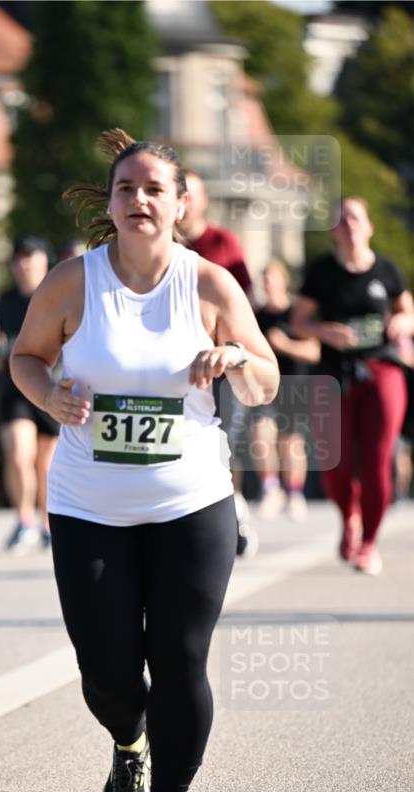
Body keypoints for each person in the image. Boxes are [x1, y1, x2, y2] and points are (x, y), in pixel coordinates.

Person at [10, 129, 279, 792]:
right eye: (125, 188)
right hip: (87, 505)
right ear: (111, 201)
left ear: (181, 205)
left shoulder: (209, 285)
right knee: (107, 668)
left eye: (154, 189)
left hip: (188, 503)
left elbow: (266, 377)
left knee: (180, 656)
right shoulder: (73, 282)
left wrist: (234, 359)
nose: (138, 200)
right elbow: (25, 358)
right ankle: (129, 743)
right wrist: (50, 397)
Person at [292, 196, 414, 574]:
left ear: (369, 226)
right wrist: (323, 330)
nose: (349, 224)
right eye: (342, 219)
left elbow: (407, 311)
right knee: (336, 463)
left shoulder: (387, 270)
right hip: (333, 374)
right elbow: (298, 323)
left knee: (379, 458)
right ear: (333, 230)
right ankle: (349, 516)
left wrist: (402, 324)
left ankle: (370, 542)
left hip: (382, 369)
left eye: (356, 217)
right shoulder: (321, 272)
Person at [178, 170, 258, 555]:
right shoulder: (160, 245)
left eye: (193, 194)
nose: (187, 202)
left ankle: (233, 507)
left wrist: (229, 346)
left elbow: (243, 301)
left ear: (203, 200)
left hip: (222, 362)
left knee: (226, 442)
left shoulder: (223, 243)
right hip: (178, 368)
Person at [0, 235, 59, 551]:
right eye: (19, 257)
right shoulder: (6, 299)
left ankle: (47, 523)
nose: (25, 263)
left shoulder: (60, 294)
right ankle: (24, 519)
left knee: (46, 463)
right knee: (18, 451)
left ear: (46, 262)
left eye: (32, 257)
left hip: (54, 389)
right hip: (15, 389)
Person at [253, 259, 320, 521]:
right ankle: (271, 488)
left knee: (291, 443)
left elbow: (314, 352)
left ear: (284, 281)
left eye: (273, 278)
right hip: (264, 387)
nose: (268, 283)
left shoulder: (296, 313)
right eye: (264, 278)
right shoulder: (256, 315)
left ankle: (294, 493)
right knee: (261, 435)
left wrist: (285, 345)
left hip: (294, 386)